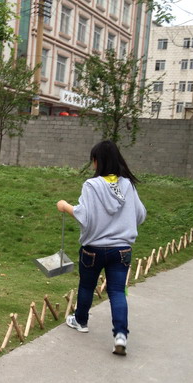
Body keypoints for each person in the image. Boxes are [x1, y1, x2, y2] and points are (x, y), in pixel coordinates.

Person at [57, 140, 146, 356]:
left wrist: (65, 206)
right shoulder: (127, 185)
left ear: (98, 161)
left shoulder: (92, 185)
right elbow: (140, 215)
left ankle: (81, 321)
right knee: (117, 291)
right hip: (121, 250)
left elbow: (84, 216)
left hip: (93, 249)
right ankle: (121, 335)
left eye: (93, 160)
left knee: (87, 286)